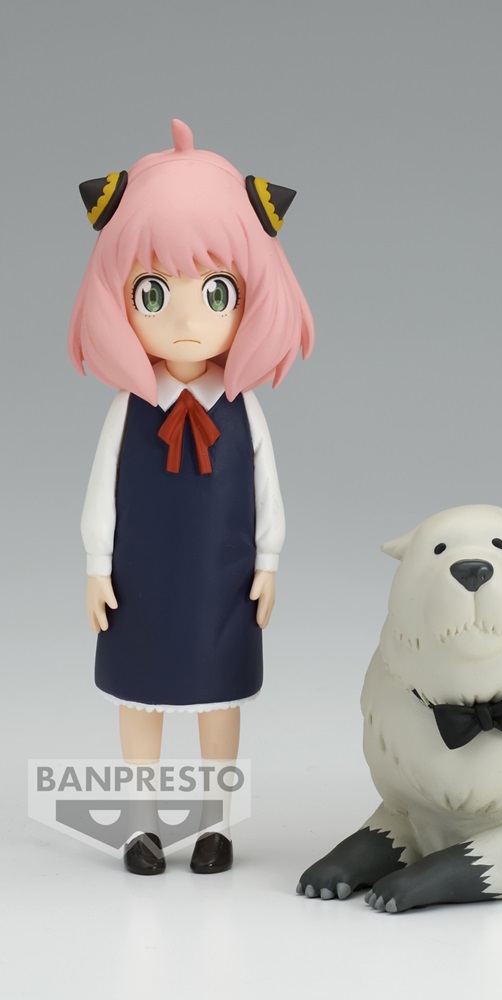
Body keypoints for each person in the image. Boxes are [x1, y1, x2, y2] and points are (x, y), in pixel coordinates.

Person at [70, 119, 314, 875]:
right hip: (139, 581)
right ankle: (140, 824)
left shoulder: (242, 410)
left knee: (219, 702)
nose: (185, 321)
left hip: (220, 582)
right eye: (152, 292)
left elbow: (267, 489)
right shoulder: (129, 409)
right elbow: (102, 489)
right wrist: (97, 567)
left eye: (216, 293)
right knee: (138, 699)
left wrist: (268, 562)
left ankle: (216, 823)